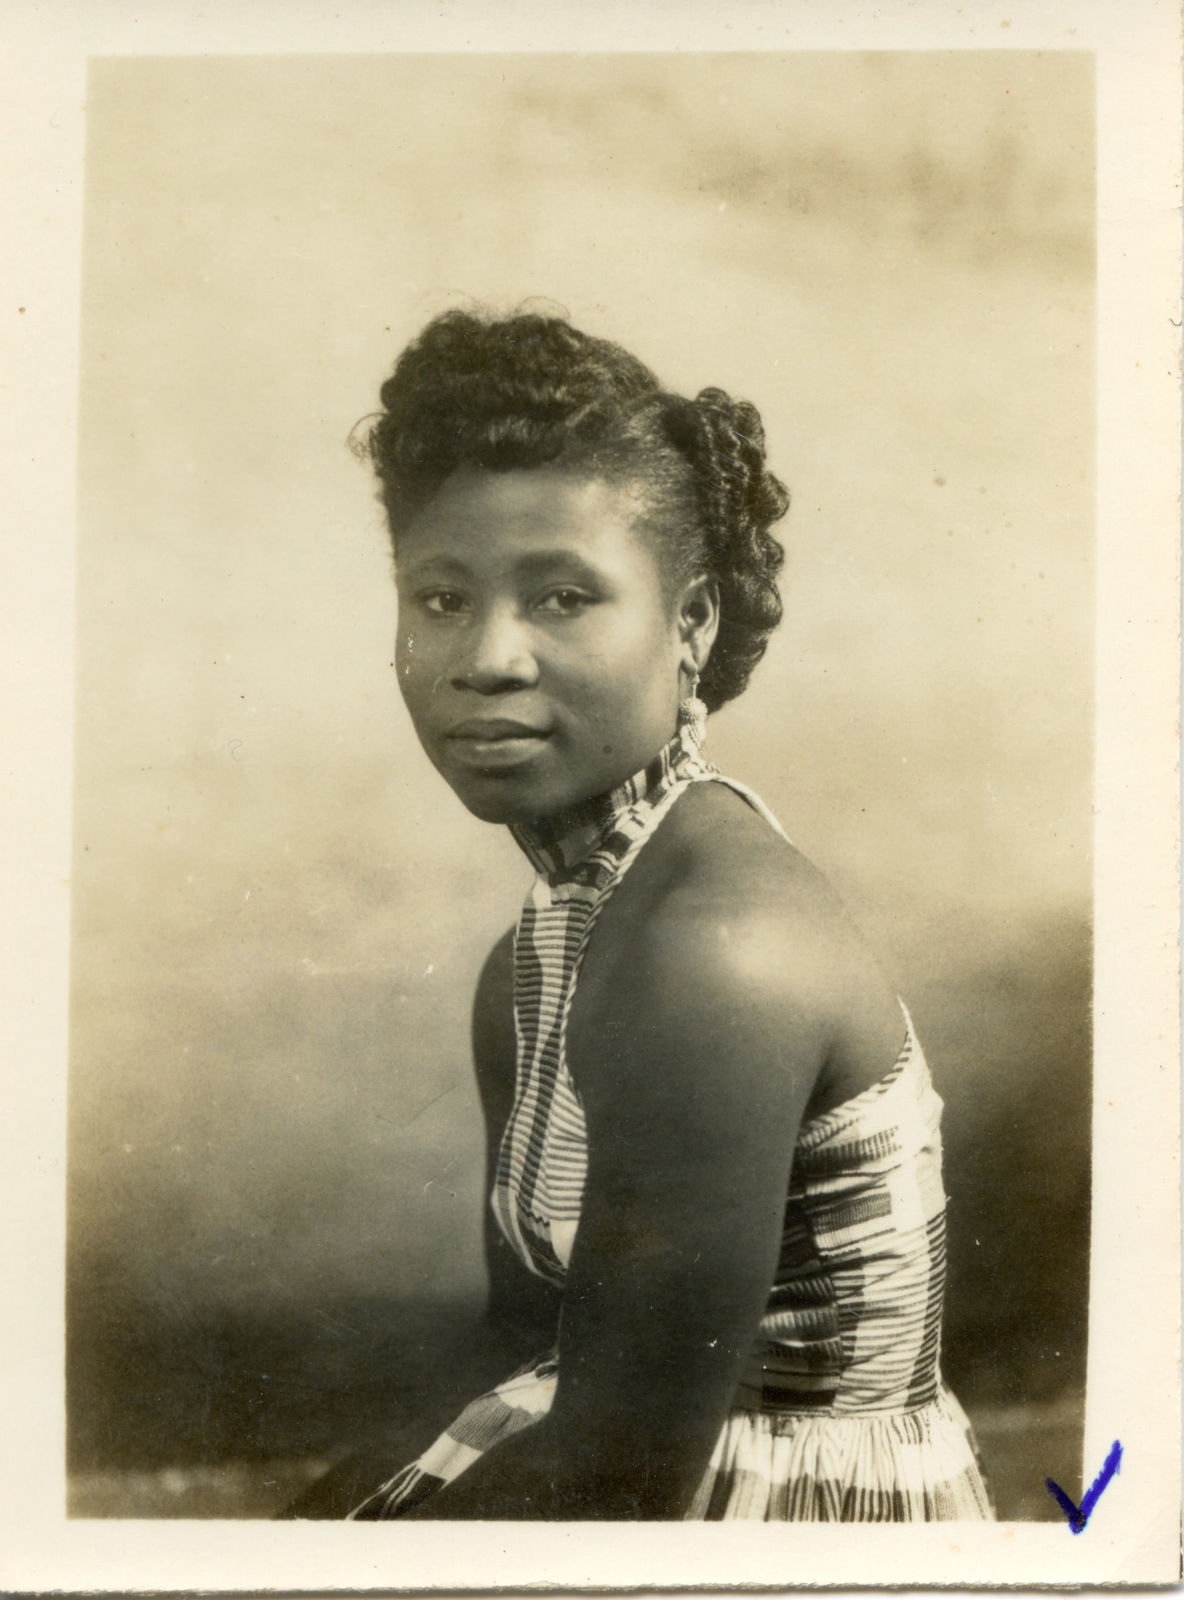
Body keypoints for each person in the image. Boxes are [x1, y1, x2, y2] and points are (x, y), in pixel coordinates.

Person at [287, 308, 993, 1522]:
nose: (487, 657)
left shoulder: (709, 949)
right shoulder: (547, 947)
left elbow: (615, 1486)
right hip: (610, 1473)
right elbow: (521, 1345)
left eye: (563, 596)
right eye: (440, 598)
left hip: (780, 1526)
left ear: (693, 624)